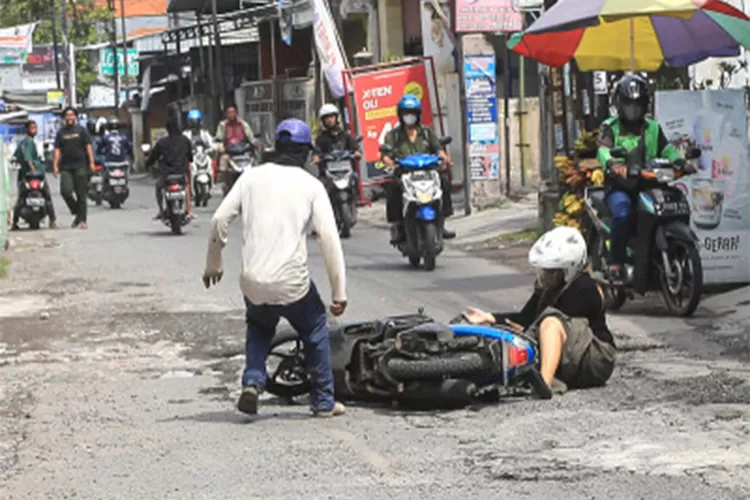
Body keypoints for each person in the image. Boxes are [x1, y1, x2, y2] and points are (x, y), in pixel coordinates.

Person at [202, 118, 347, 418]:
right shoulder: (312, 185)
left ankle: (253, 381)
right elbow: (329, 239)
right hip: (292, 283)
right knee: (315, 325)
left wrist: (213, 264)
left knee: (259, 326)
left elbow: (219, 219)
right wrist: (339, 292)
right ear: (306, 153)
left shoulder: (250, 177)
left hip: (252, 281)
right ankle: (323, 400)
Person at [463, 227, 616, 395]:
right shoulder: (549, 288)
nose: (543, 275)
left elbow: (546, 327)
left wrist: (524, 330)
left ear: (567, 270)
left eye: (549, 271)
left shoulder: (584, 288)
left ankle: (544, 384)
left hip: (593, 360)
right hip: (570, 359)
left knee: (550, 322)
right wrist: (489, 318)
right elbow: (525, 319)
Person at [597, 74, 695, 284]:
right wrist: (613, 165)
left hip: (649, 183)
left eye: (638, 106)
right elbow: (603, 151)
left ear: (645, 106)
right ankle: (616, 263)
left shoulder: (653, 127)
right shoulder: (610, 126)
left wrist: (680, 163)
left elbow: (666, 149)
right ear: (620, 106)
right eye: (629, 106)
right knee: (622, 212)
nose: (634, 111)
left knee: (676, 204)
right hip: (619, 187)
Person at [381, 94, 455, 243]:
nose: (409, 116)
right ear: (400, 115)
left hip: (427, 173)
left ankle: (442, 222)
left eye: (412, 113)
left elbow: (438, 149)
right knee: (393, 189)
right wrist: (390, 163)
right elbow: (385, 155)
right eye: (406, 113)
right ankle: (398, 226)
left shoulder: (427, 133)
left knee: (444, 182)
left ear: (418, 114)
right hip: (404, 174)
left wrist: (445, 158)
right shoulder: (394, 135)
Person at [145, 107, 194, 220]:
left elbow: (153, 157)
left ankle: (161, 211)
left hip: (167, 176)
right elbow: (190, 157)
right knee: (186, 186)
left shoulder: (162, 142)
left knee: (158, 188)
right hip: (180, 174)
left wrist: (148, 164)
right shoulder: (185, 140)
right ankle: (190, 210)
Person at [53, 106, 96, 229]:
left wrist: (92, 162)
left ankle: (82, 220)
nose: (69, 117)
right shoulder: (61, 132)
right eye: (67, 115)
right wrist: (55, 165)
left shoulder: (82, 131)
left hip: (81, 165)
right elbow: (57, 149)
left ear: (75, 117)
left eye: (72, 115)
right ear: (64, 118)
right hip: (66, 166)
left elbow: (88, 146)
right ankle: (77, 212)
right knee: (65, 191)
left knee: (81, 193)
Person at [12, 120, 57, 229]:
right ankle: (52, 220)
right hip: (34, 175)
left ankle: (15, 222)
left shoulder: (23, 143)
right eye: (32, 127)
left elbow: (16, 157)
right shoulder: (28, 142)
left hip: (25, 174)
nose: (34, 129)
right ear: (27, 129)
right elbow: (28, 158)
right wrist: (33, 170)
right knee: (46, 195)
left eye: (35, 127)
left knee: (21, 197)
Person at [313, 103, 360, 179]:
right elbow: (316, 151)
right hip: (328, 173)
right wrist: (316, 157)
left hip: (346, 170)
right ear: (323, 120)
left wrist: (357, 152)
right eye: (326, 118)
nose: (329, 120)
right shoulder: (320, 138)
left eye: (332, 117)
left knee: (355, 178)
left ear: (336, 118)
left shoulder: (345, 135)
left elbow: (354, 147)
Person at [215, 105, 256, 190]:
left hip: (243, 152)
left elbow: (251, 137)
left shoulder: (243, 124)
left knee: (255, 163)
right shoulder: (222, 125)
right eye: (229, 113)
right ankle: (226, 184)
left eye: (232, 112)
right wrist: (221, 147)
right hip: (229, 152)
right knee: (223, 162)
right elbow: (219, 139)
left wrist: (254, 143)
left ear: (236, 113)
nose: (231, 114)